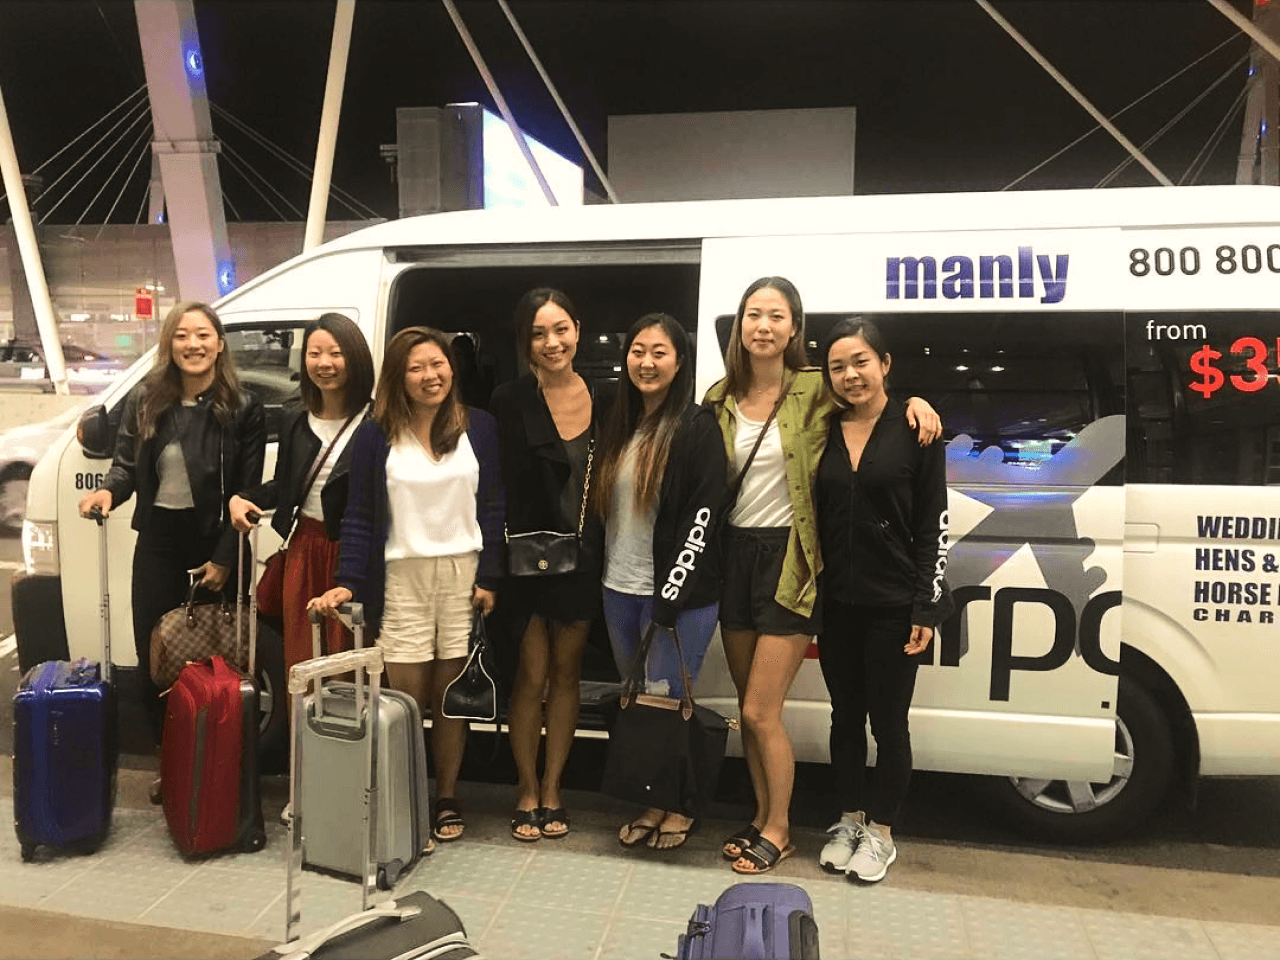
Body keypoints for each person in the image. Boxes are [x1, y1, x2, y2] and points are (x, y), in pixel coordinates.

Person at [702, 277, 940, 875]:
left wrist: (918, 400)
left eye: (775, 315)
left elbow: (871, 398)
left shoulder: (814, 388)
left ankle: (783, 829)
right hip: (737, 557)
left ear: (793, 327)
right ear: (739, 326)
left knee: (761, 710)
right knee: (757, 707)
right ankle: (763, 818)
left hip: (792, 560)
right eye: (752, 314)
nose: (763, 326)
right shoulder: (717, 397)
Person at [309, 327, 504, 845]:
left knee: (449, 698)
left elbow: (494, 506)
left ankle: (445, 795)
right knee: (405, 699)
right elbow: (360, 514)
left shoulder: (479, 427)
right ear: (399, 377)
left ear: (451, 368)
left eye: (437, 364)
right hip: (401, 579)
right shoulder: (376, 432)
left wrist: (490, 575)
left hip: (463, 575)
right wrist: (349, 582)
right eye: (416, 368)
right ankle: (406, 793)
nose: (429, 376)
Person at [78, 301, 265, 758]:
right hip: (158, 543)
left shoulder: (243, 407)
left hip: (217, 540)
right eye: (182, 335)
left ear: (220, 344)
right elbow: (124, 466)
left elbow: (248, 490)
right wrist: (107, 493)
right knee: (157, 660)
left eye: (203, 335)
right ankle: (175, 762)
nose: (193, 344)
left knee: (220, 660)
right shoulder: (146, 400)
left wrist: (224, 557)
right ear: (169, 344)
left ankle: (220, 762)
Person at [814, 316, 951, 883]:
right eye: (838, 366)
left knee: (888, 723)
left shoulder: (917, 430)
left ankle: (884, 833)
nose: (851, 375)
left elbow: (934, 525)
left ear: (885, 365)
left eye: (861, 362)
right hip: (836, 602)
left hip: (894, 604)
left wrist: (926, 606)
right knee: (844, 717)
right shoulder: (820, 428)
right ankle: (849, 820)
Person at [593, 313, 727, 852]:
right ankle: (654, 795)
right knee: (642, 701)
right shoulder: (620, 423)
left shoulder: (696, 428)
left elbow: (703, 516)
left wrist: (671, 593)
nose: (646, 363)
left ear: (680, 361)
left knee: (670, 699)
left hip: (677, 596)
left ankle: (673, 806)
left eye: (660, 353)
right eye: (638, 351)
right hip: (618, 587)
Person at [490, 288, 607, 843]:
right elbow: (496, 487)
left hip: (583, 560)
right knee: (530, 676)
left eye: (560, 328)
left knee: (566, 675)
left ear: (577, 329)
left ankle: (554, 788)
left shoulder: (608, 398)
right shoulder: (509, 400)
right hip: (524, 560)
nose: (551, 342)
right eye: (538, 333)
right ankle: (525, 787)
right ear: (526, 342)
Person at [229, 313, 375, 677]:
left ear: (355, 357)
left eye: (336, 353)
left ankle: (356, 735)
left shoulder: (379, 419)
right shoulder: (296, 416)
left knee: (354, 665)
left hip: (358, 555)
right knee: (303, 662)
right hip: (305, 548)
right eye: (315, 353)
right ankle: (303, 734)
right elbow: (285, 486)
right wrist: (242, 497)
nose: (324, 363)